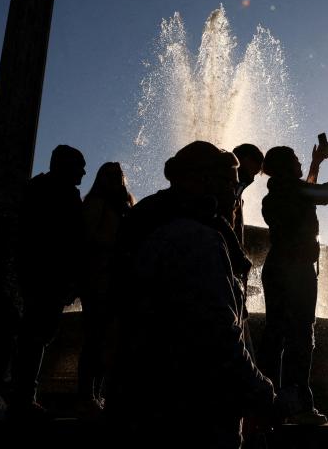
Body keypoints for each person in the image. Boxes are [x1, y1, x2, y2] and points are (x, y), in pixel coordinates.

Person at [107, 142, 274, 448]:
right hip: (191, 414)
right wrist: (262, 392)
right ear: (199, 181)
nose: (234, 191)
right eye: (228, 181)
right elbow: (218, 333)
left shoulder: (155, 219)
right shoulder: (196, 238)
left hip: (146, 402)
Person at [258, 140, 328, 425]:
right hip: (297, 271)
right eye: (295, 159)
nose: (299, 161)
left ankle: (269, 401)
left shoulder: (276, 194)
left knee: (276, 335)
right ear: (285, 166)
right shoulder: (295, 190)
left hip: (276, 267)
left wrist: (313, 166)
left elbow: (306, 193)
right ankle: (300, 406)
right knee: (300, 336)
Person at [10, 145, 86, 419]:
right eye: (79, 166)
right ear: (65, 166)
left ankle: (21, 393)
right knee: (35, 336)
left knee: (37, 335)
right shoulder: (54, 193)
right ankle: (22, 396)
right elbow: (67, 239)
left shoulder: (41, 189)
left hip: (45, 275)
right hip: (46, 275)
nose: (84, 172)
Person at [77, 162, 133, 415]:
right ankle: (87, 395)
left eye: (119, 175)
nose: (116, 179)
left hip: (117, 279)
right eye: (110, 175)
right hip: (100, 277)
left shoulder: (125, 204)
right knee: (95, 338)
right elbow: (87, 239)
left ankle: (99, 394)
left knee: (108, 338)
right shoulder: (97, 203)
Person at [232, 143, 264, 243]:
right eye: (252, 172)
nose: (252, 179)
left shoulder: (238, 197)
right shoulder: (228, 191)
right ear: (246, 160)